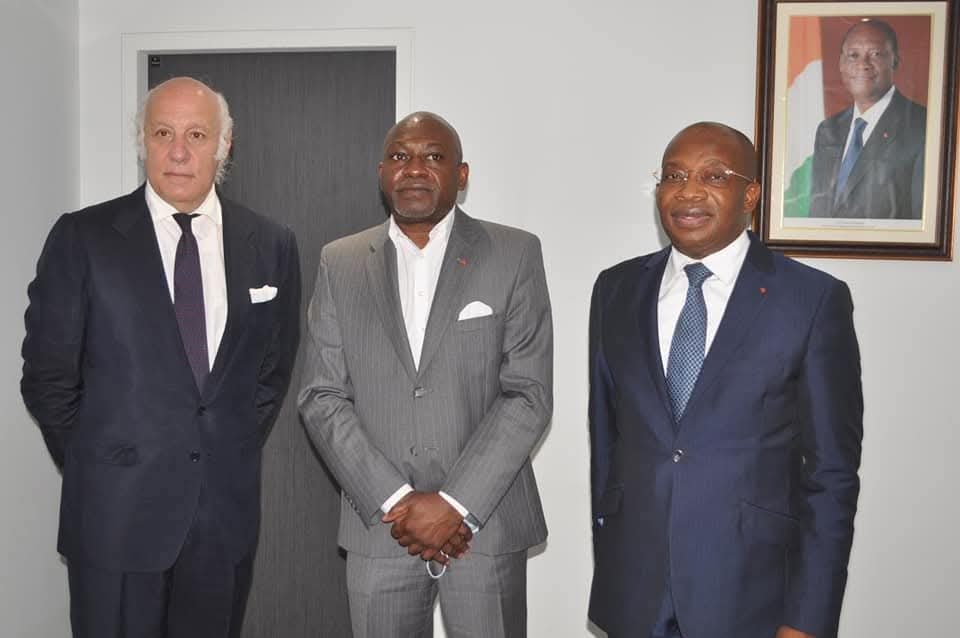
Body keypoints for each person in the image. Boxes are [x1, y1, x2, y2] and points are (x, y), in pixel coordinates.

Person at [21, 77, 301, 638]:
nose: (178, 152)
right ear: (142, 141)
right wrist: (103, 463)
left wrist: (220, 449)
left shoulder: (271, 244)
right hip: (114, 521)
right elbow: (49, 378)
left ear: (224, 144)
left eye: (196, 135)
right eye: (162, 133)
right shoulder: (83, 237)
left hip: (221, 524)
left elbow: (270, 374)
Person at [588, 122, 863, 638]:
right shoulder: (616, 290)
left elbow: (832, 475)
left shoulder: (811, 300)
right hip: (634, 591)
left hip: (752, 594)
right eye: (673, 176)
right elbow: (606, 443)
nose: (688, 192)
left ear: (750, 195)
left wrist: (808, 618)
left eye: (713, 176)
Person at [299, 111, 552, 638]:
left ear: (462, 175)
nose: (414, 168)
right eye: (400, 156)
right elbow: (322, 395)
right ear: (382, 173)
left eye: (433, 157)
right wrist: (396, 500)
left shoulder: (514, 253)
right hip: (381, 527)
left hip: (486, 526)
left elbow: (527, 394)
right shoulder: (339, 262)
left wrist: (455, 505)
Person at [810, 19, 926, 219]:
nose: (863, 64)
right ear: (841, 64)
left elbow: (922, 223)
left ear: (895, 61)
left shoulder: (922, 127)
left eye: (875, 54)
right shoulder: (828, 130)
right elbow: (818, 212)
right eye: (853, 55)